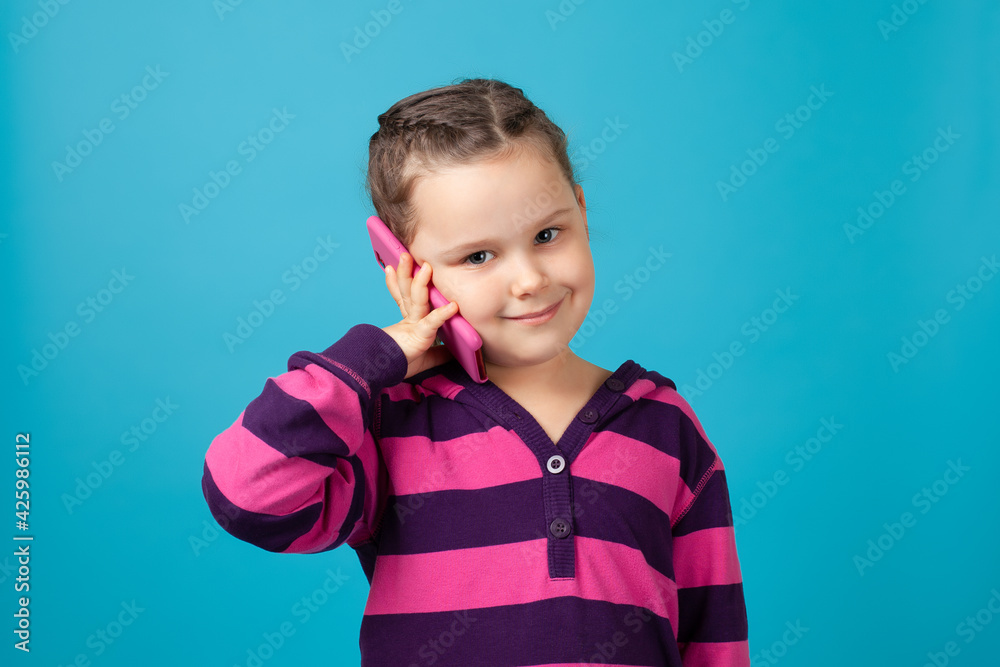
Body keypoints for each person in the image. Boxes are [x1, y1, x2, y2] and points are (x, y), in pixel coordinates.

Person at [201, 77, 750, 666]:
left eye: (547, 234)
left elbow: (714, 640)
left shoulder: (665, 426)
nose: (530, 280)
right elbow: (246, 494)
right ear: (403, 265)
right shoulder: (387, 425)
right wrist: (376, 358)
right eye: (478, 256)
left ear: (582, 211)